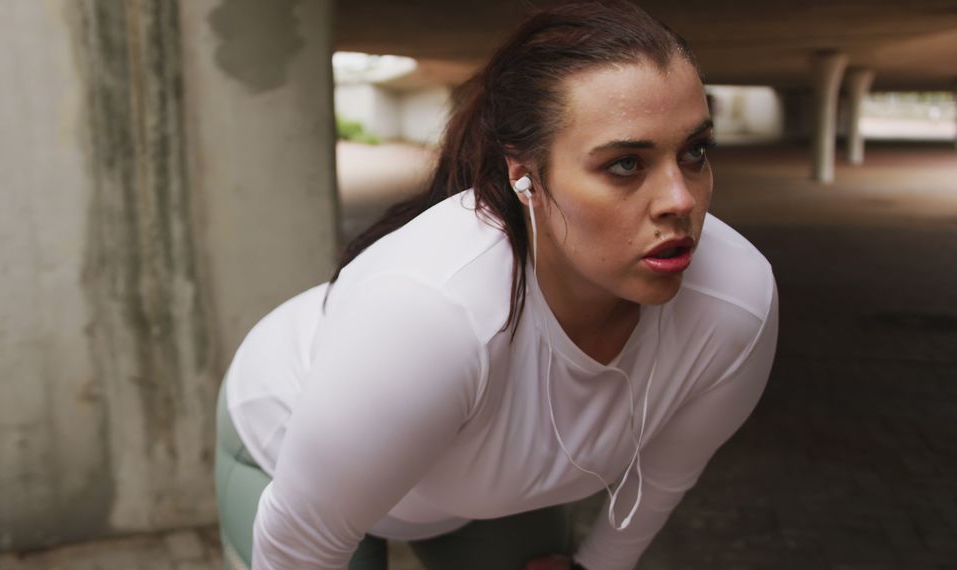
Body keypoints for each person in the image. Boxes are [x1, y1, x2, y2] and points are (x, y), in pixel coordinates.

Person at [215, 1, 778, 569]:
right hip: (283, 451)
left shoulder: (735, 302)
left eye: (695, 153)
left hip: (474, 498)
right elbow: (299, 541)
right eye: (625, 165)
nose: (680, 200)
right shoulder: (431, 312)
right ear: (523, 173)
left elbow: (662, 477)